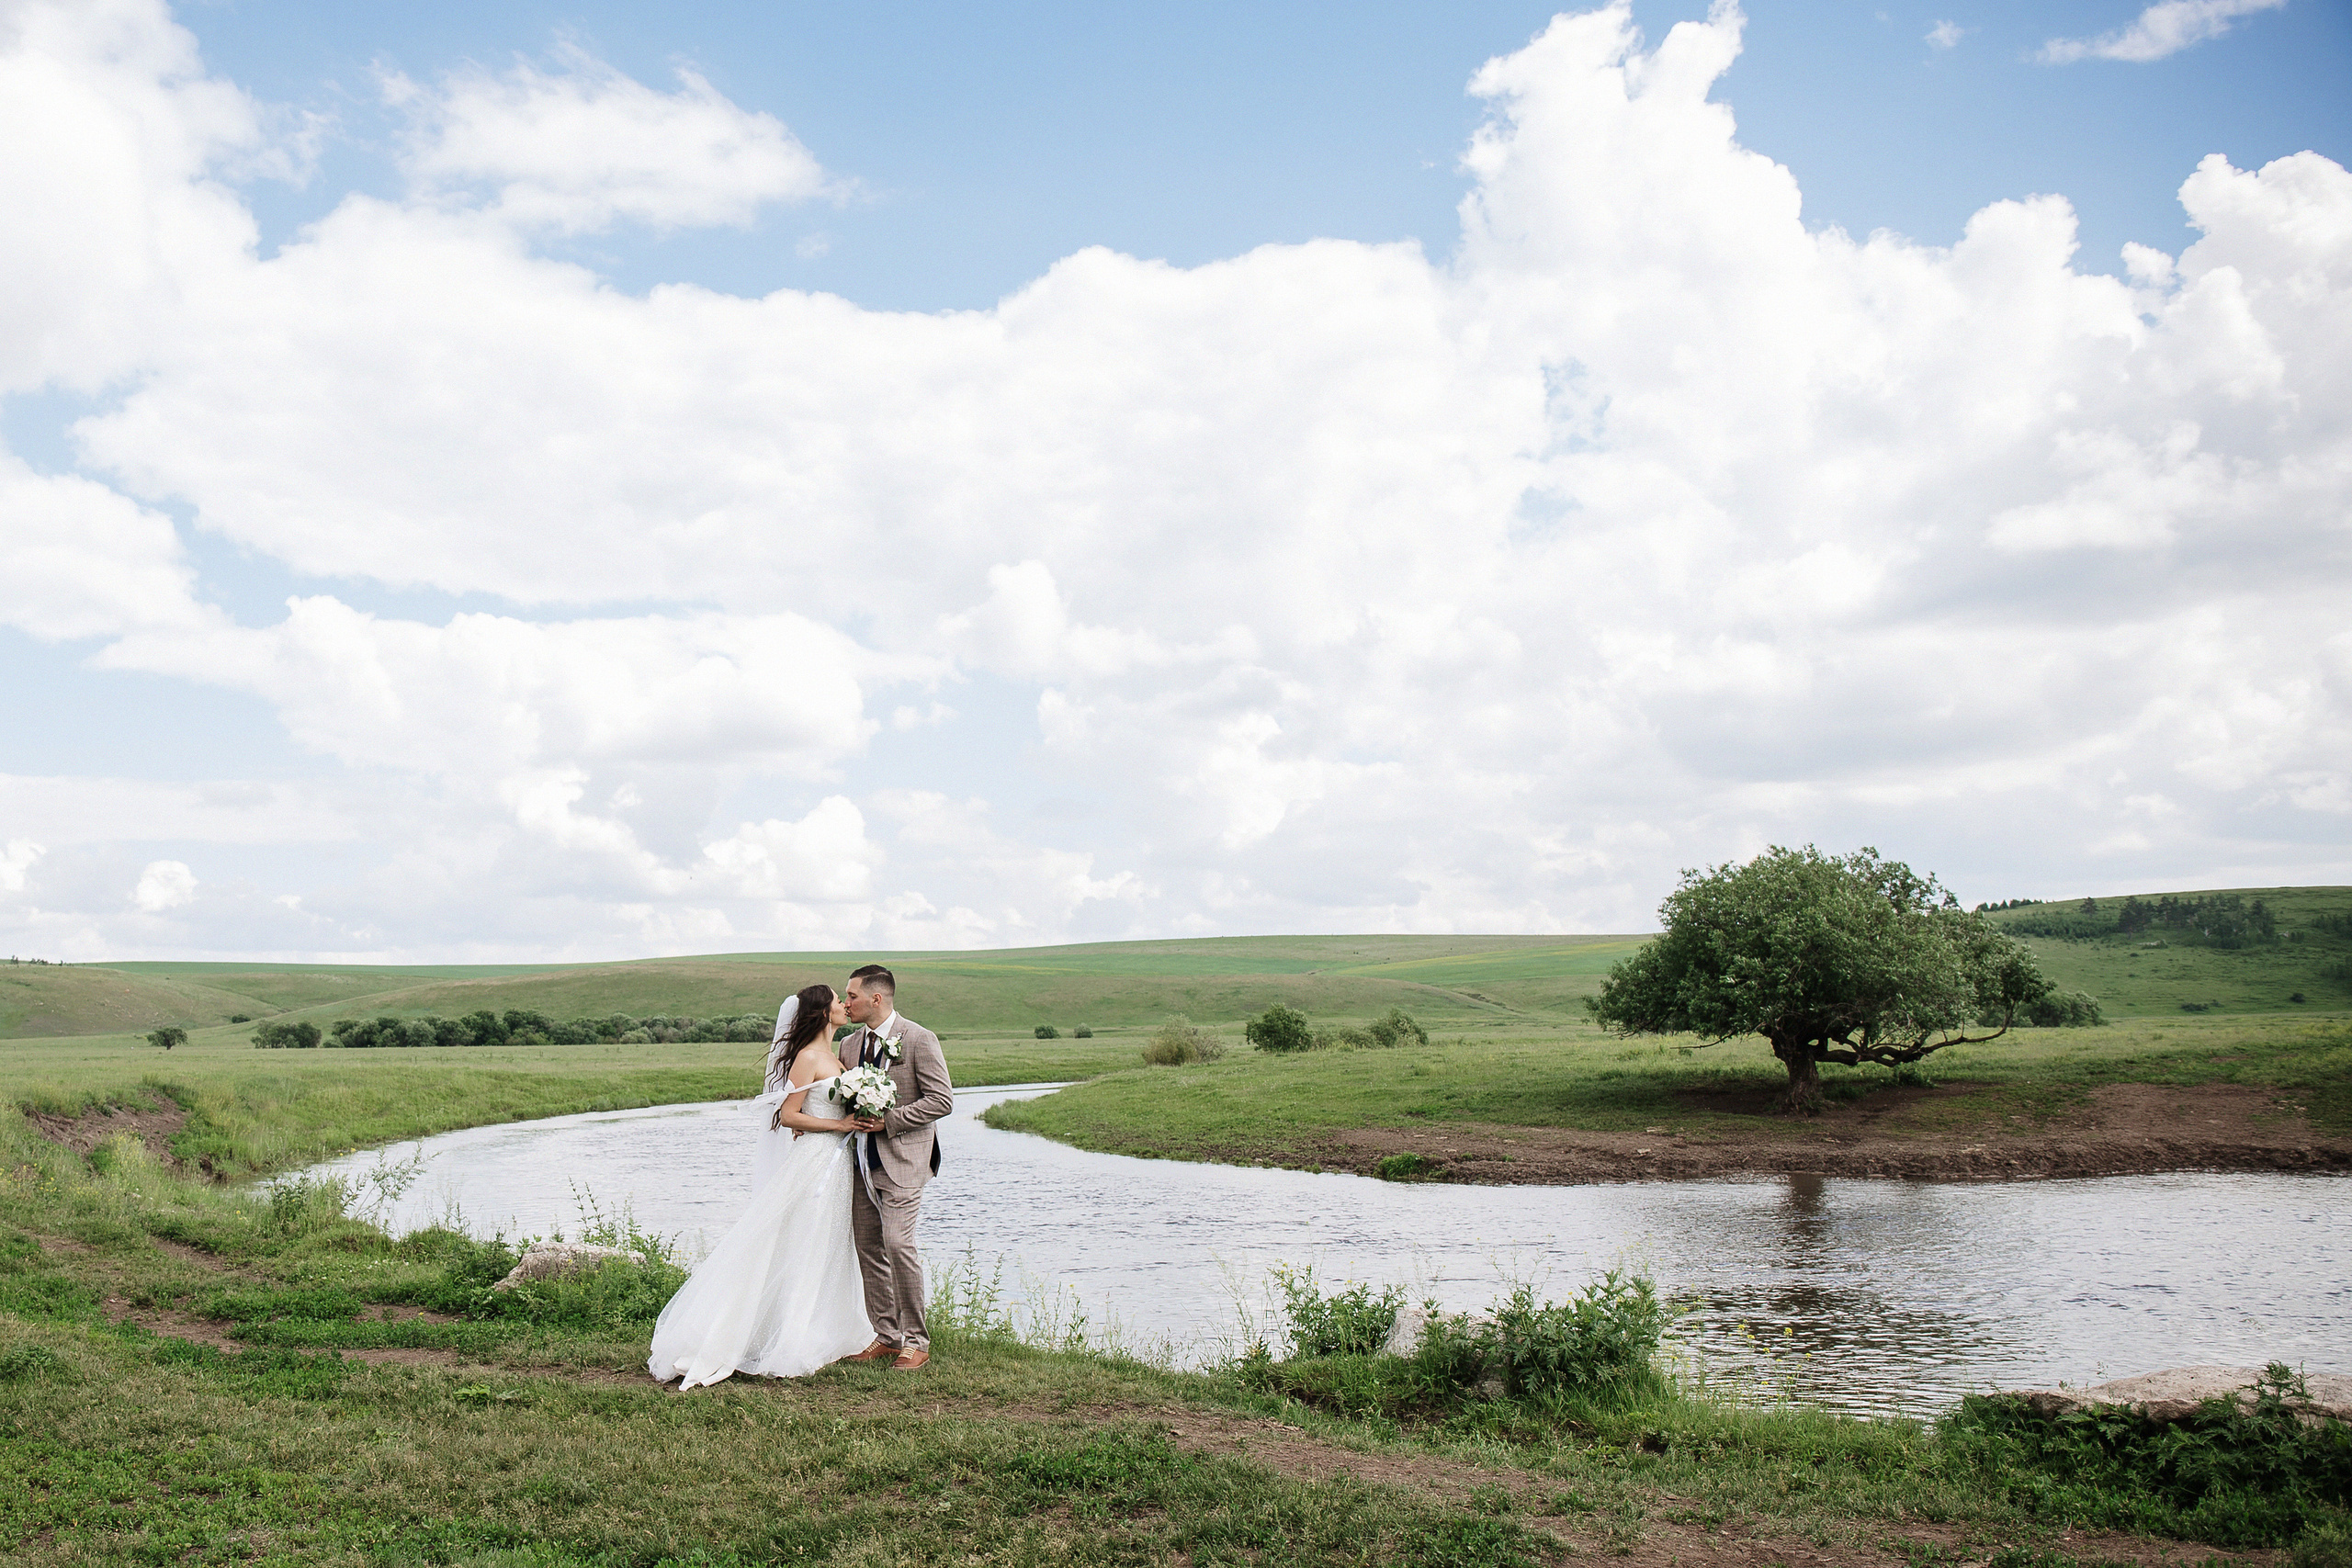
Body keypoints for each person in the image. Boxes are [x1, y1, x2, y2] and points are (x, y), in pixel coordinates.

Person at [645, 984, 873, 1388]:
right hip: (812, 1163)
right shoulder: (806, 1058)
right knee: (799, 1242)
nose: (844, 1006)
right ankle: (782, 1337)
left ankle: (817, 1329)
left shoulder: (837, 1057)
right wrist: (839, 1124)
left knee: (827, 1244)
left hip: (837, 1167)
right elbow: (788, 1116)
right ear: (823, 1013)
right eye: (839, 1001)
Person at [834, 964, 954, 1371]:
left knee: (899, 1245)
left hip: (904, 1162)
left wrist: (890, 1121)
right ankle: (886, 1336)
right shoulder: (848, 1047)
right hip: (859, 1164)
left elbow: (942, 1101)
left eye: (851, 996)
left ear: (876, 998)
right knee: (868, 1248)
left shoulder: (919, 1038)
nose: (845, 1002)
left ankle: (916, 1341)